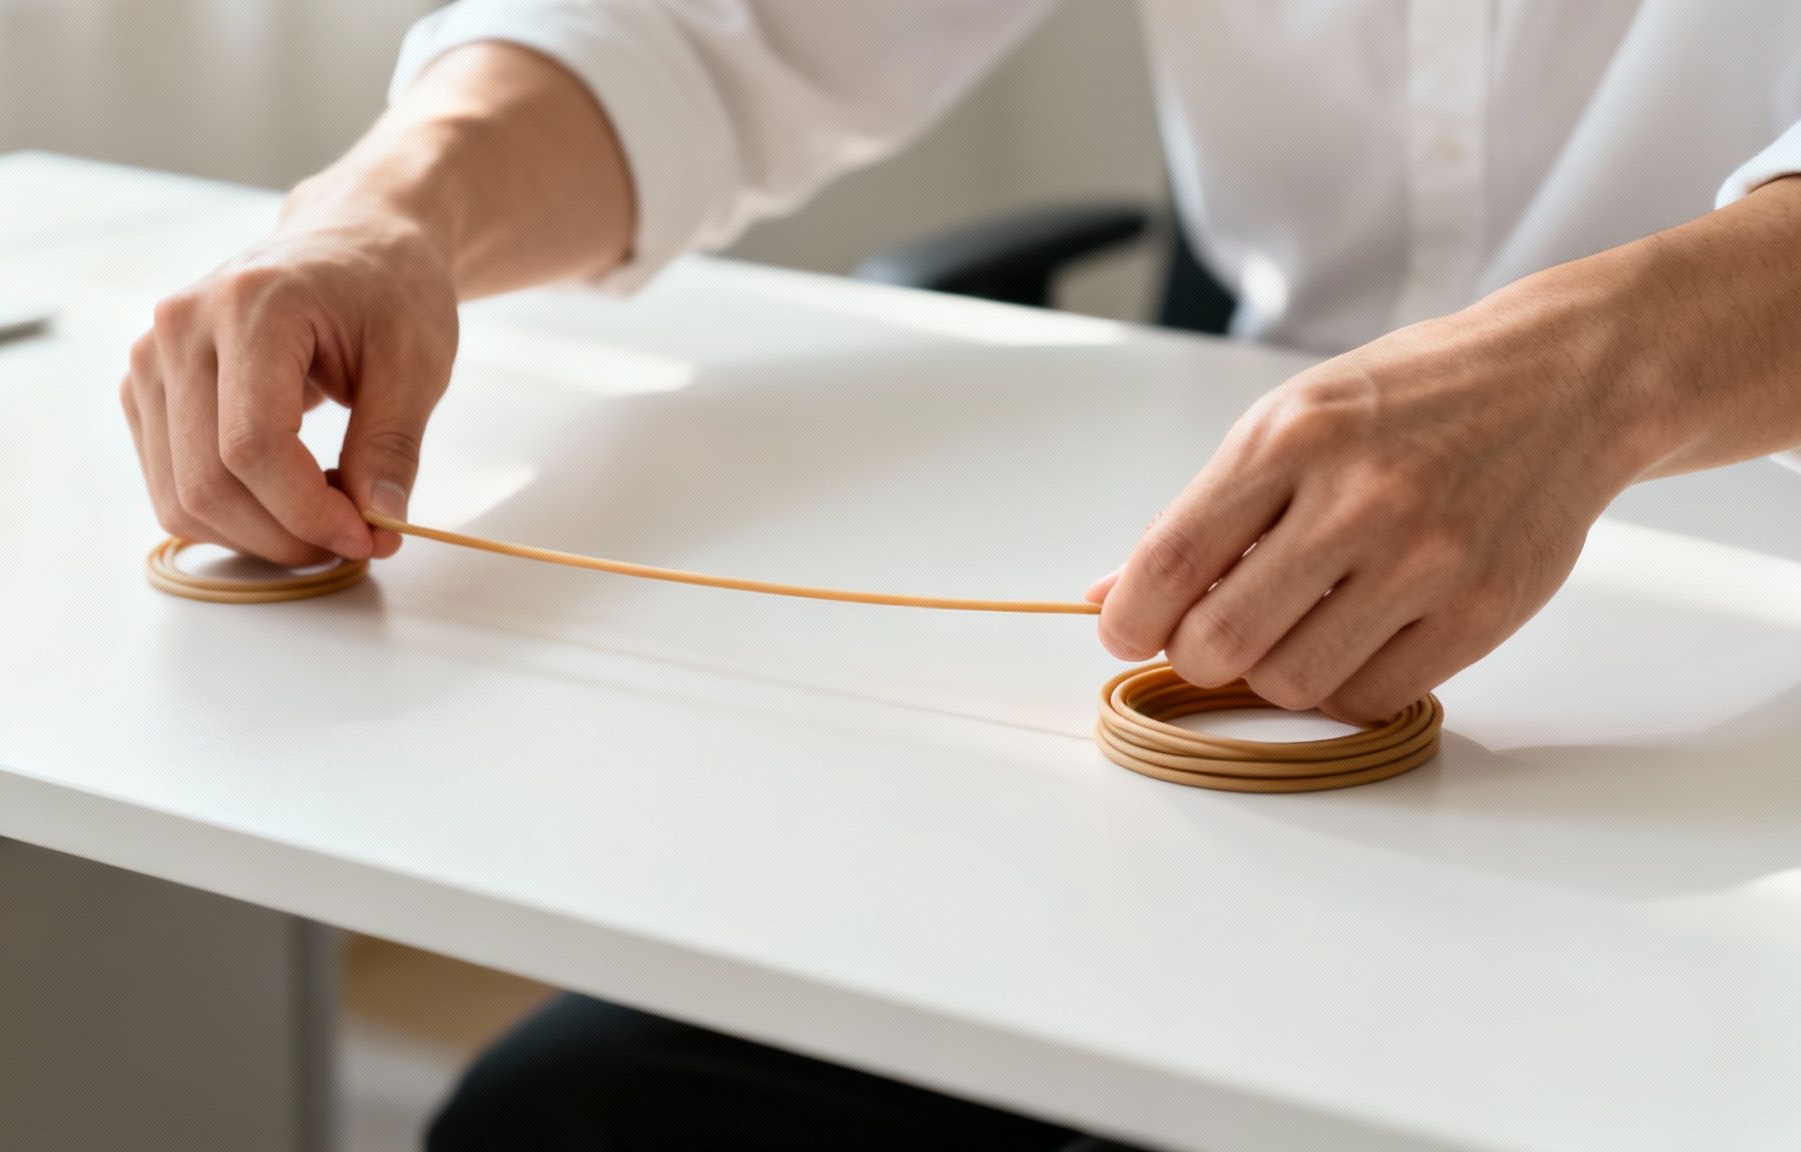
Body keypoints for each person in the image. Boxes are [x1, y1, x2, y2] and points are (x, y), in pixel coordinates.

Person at [118, 3, 1801, 1149]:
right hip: (1243, 562)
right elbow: (714, 33)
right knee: (574, 1124)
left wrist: (1610, 365)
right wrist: (382, 213)